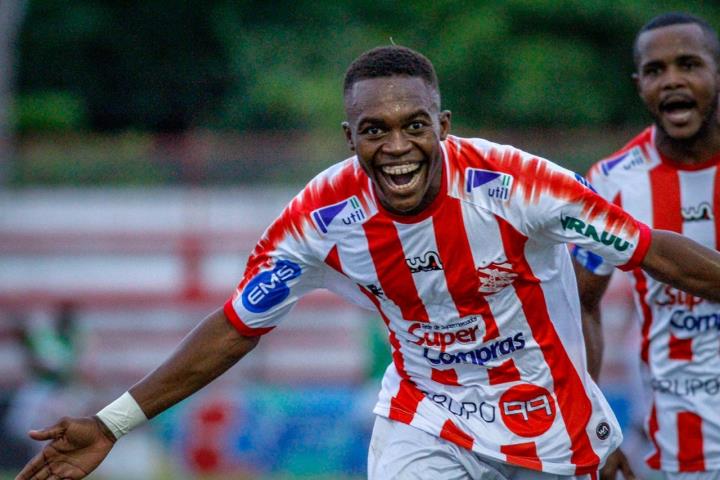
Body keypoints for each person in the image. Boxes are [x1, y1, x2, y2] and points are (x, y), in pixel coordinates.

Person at [15, 45, 720, 480]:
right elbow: (235, 327)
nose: (397, 147)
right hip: (428, 417)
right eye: (373, 131)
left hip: (555, 424)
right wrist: (111, 423)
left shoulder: (519, 185)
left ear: (443, 125)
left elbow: (659, 254)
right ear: (349, 136)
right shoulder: (320, 219)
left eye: (415, 125)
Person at [573, 12, 720, 480]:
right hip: (677, 444)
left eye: (689, 65)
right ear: (640, 85)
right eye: (656, 71)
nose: (672, 81)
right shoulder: (612, 183)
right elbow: (581, 306)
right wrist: (593, 431)